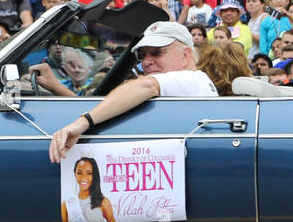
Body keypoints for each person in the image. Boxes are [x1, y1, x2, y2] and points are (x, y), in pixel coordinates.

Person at [48, 22, 217, 162]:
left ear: (186, 55)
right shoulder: (193, 81)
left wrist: (83, 122)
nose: (146, 62)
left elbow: (146, 86)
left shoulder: (190, 79)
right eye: (142, 55)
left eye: (157, 53)